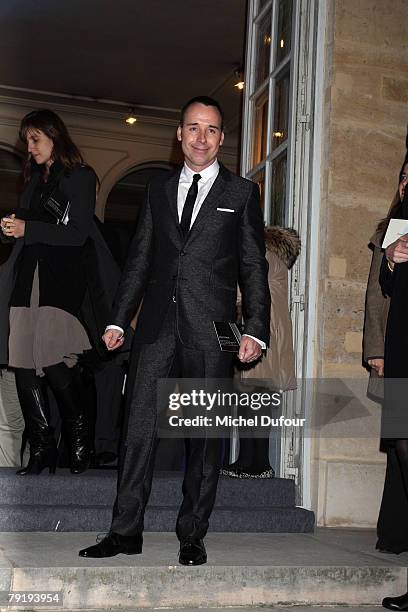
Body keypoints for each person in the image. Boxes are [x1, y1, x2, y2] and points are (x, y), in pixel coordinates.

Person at [79, 95, 271, 565]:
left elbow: (253, 266)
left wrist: (256, 329)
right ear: (179, 135)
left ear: (222, 139)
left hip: (213, 330)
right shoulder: (159, 190)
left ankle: (192, 535)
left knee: (203, 440)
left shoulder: (241, 193)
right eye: (192, 128)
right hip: (156, 330)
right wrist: (117, 320)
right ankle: (125, 531)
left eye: (210, 129)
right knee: (137, 431)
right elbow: (140, 259)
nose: (201, 137)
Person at [0, 109, 98, 475]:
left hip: (59, 285)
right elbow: (28, 228)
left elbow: (77, 235)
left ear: (55, 136)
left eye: (35, 138)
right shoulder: (34, 182)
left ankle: (78, 435)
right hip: (27, 284)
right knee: (24, 368)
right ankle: (42, 450)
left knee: (55, 365)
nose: (30, 146)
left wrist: (29, 229)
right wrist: (10, 227)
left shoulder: (80, 177)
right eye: (27, 140)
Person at [362, 157, 408, 611]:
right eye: (404, 175)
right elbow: (378, 295)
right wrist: (376, 349)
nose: (406, 183)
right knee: (399, 447)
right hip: (399, 347)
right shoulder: (394, 225)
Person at [222, 225, 300, 478]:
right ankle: (251, 461)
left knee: (254, 396)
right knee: (251, 397)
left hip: (263, 328)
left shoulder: (264, 254)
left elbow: (245, 285)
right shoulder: (268, 253)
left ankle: (258, 463)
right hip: (263, 327)